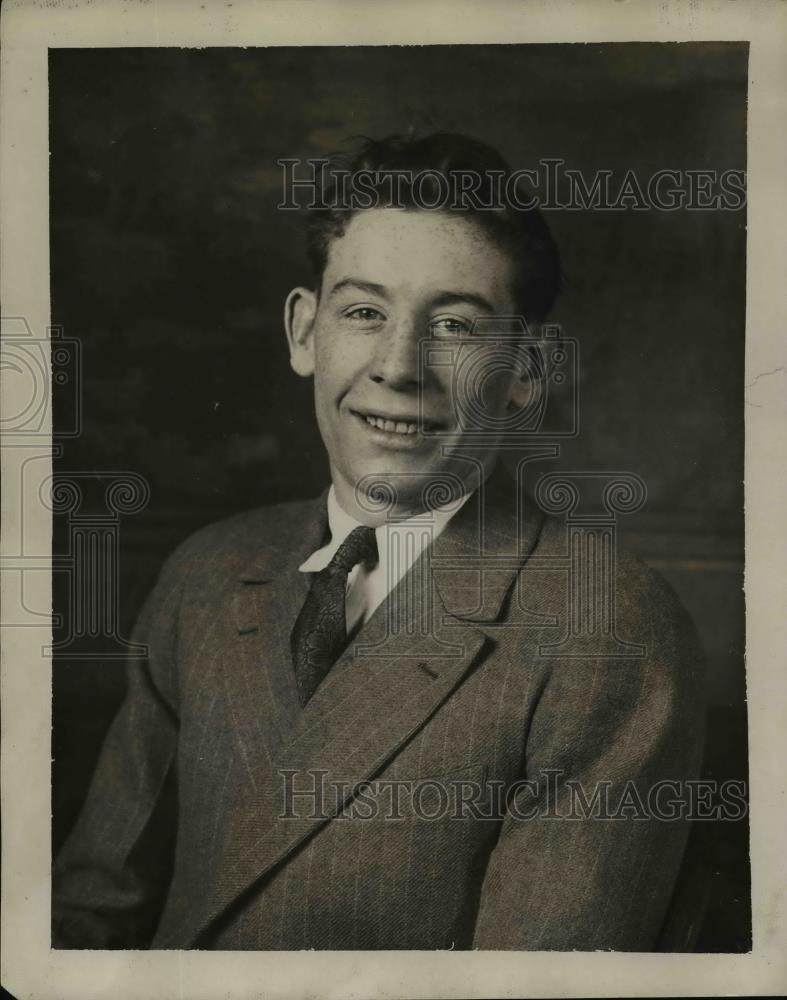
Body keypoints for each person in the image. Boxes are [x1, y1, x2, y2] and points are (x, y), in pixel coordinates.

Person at [52, 132, 705, 951]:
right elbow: (89, 919)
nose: (398, 366)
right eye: (364, 312)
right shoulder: (208, 569)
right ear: (303, 332)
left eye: (456, 326)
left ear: (529, 369)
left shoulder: (607, 628)